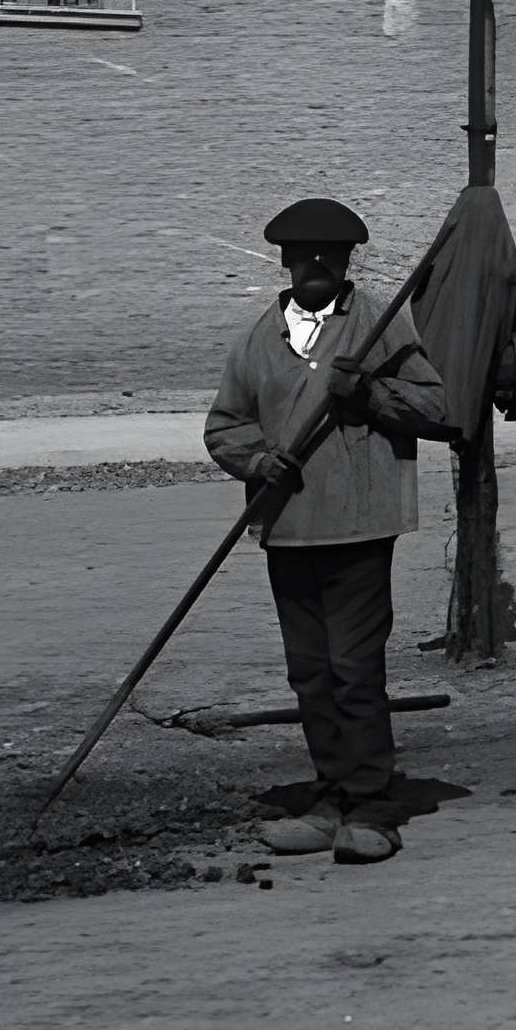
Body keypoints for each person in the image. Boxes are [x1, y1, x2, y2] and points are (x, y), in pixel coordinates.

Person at [205, 196, 452, 866]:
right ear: (284, 262)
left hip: (360, 524)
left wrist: (370, 397)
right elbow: (224, 426)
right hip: (288, 527)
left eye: (329, 256)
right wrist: (260, 460)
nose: (315, 265)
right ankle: (330, 794)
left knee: (353, 668)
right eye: (303, 256)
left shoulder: (378, 324)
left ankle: (371, 803)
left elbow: (437, 407)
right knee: (310, 673)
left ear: (347, 263)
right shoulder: (261, 338)